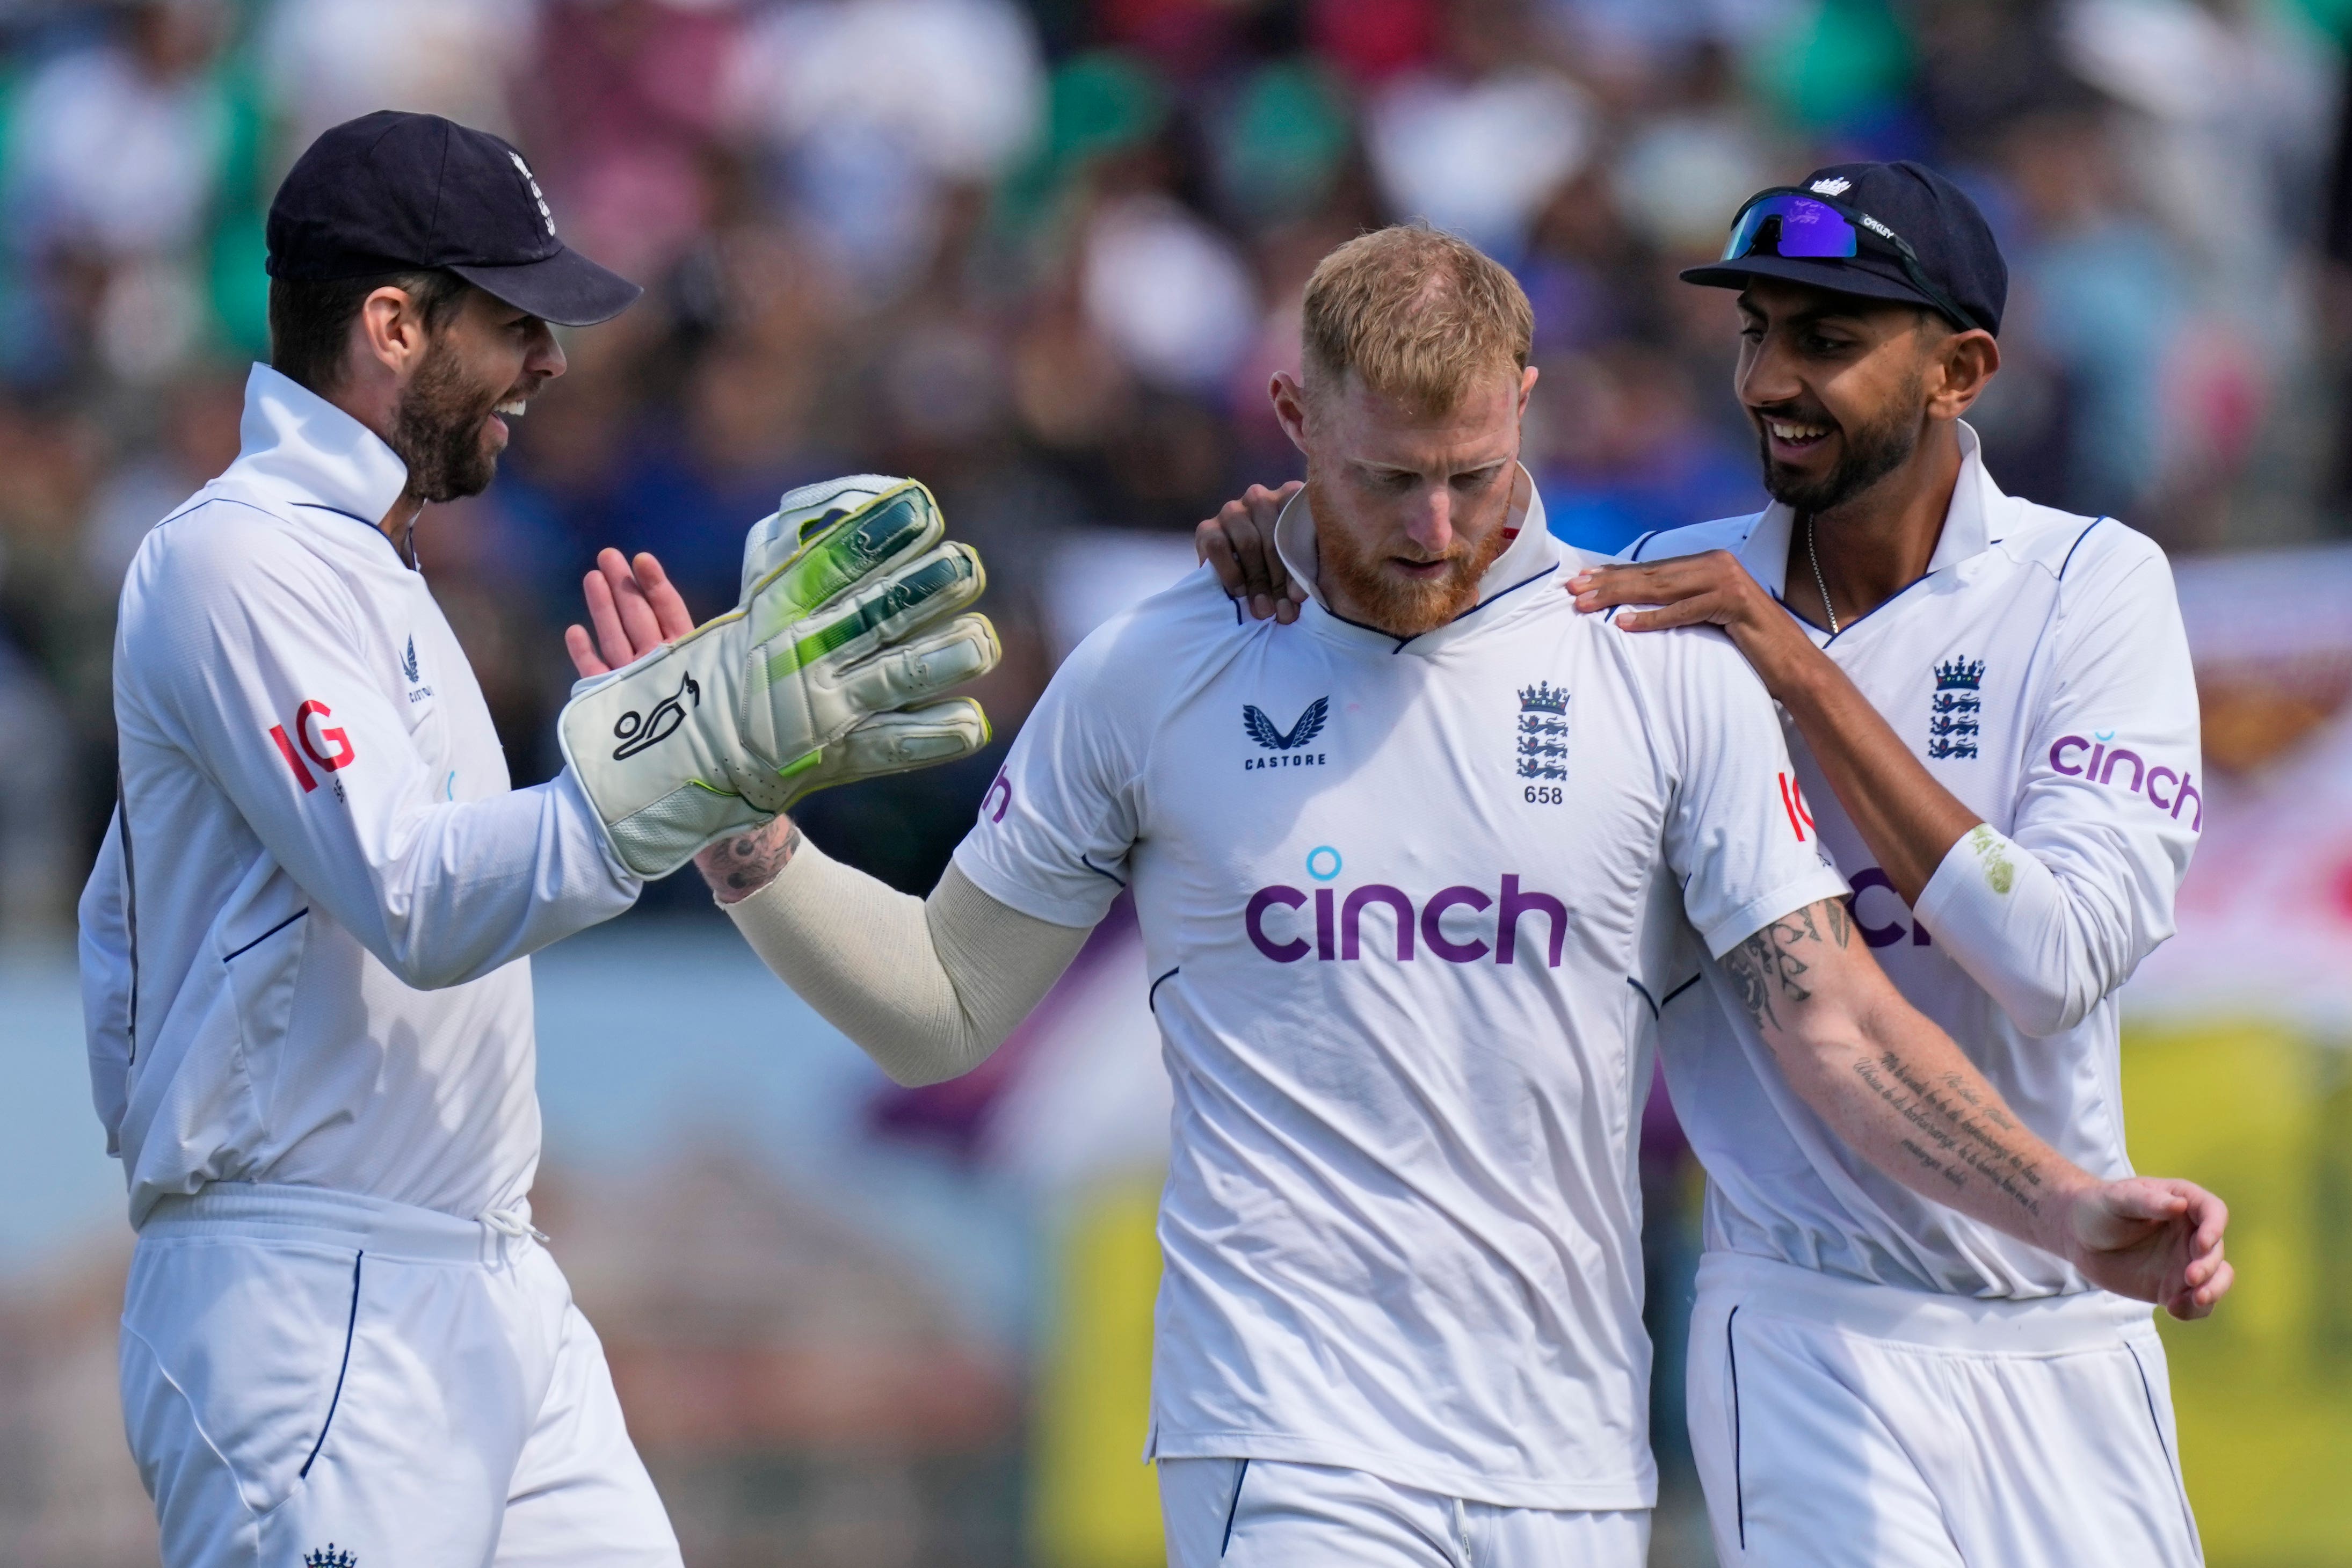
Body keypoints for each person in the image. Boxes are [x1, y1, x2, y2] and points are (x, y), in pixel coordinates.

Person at [592, 224, 2227, 1567]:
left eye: (1470, 473)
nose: (1435, 528)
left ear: (1526, 400)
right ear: (1295, 418)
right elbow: (941, 1007)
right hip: (1284, 1440)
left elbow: (1839, 1030)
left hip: (1570, 1454)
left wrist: (2060, 1205)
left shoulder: (1654, 663)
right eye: (1387, 482)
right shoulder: (1154, 670)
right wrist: (742, 838)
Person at [1200, 166, 2226, 1567]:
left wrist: (1792, 670)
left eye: (1825, 339)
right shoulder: (1656, 599)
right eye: (1755, 331)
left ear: (1960, 369)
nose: (1766, 380)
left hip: (2069, 1324)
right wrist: (1296, 534)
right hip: (1804, 1330)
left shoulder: (2090, 587)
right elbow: (1415, 578)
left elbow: (2052, 966)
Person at [77, 111, 995, 1567]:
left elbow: (503, 863)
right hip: (315, 1297)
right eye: (514, 321)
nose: (550, 362)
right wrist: (688, 753)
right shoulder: (235, 556)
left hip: (488, 1277)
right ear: (392, 322)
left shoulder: (379, 569)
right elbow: (413, 899)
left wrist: (696, 766)